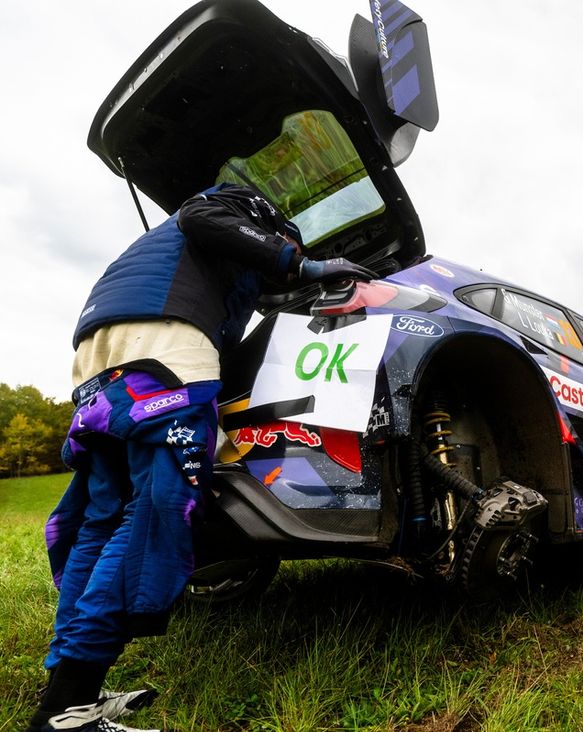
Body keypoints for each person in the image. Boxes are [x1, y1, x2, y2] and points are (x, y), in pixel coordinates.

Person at [27, 184, 372, 732]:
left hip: (98, 358)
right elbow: (202, 214)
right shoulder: (230, 206)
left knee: (102, 518)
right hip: (165, 348)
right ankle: (70, 711)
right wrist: (302, 262)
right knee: (151, 516)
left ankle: (65, 696)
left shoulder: (159, 253)